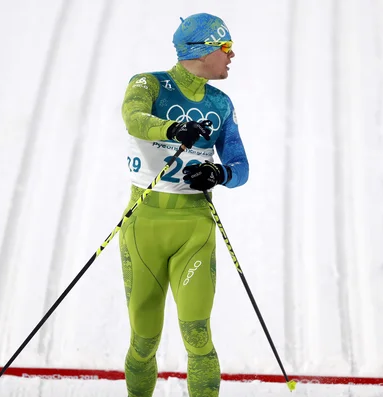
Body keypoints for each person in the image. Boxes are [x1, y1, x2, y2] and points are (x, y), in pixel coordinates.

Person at [119, 12, 249, 397]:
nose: (231, 56)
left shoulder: (220, 104)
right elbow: (134, 118)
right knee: (143, 342)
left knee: (197, 337)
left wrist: (219, 175)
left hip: (194, 227)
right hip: (144, 226)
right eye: (225, 47)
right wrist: (172, 129)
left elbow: (240, 166)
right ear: (203, 50)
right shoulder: (148, 84)